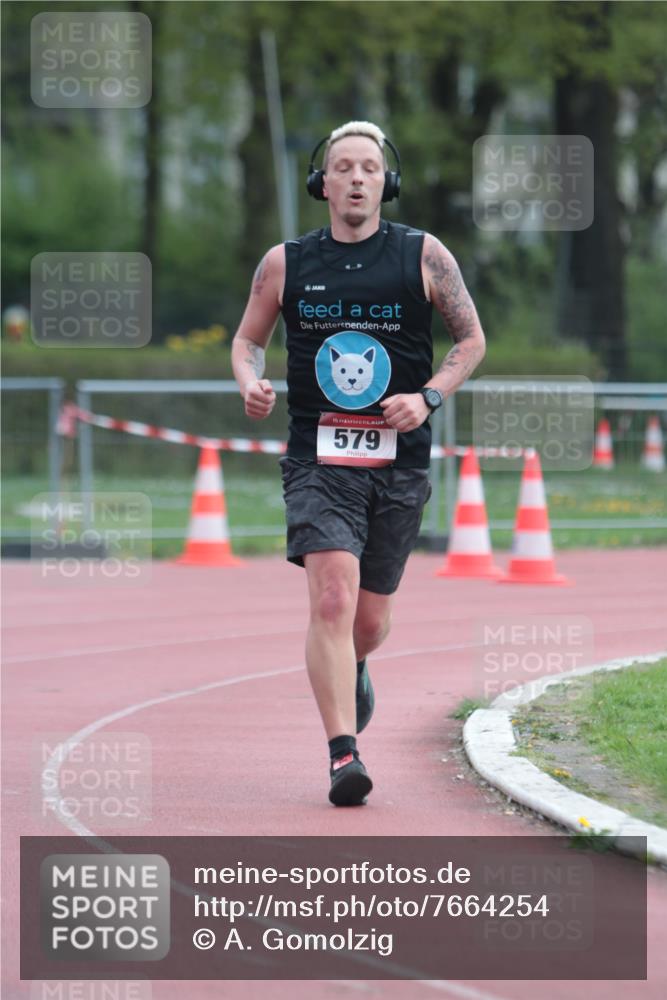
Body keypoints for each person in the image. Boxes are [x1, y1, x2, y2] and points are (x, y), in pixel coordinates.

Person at [232, 121, 486, 807]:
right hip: (317, 461)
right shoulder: (285, 264)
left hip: (397, 464)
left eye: (367, 168)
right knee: (333, 599)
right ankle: (343, 754)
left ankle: (356, 665)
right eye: (341, 167)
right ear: (321, 183)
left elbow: (471, 338)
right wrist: (248, 379)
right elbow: (248, 340)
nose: (353, 178)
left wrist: (428, 396)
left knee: (367, 622)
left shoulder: (423, 256)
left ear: (385, 182)